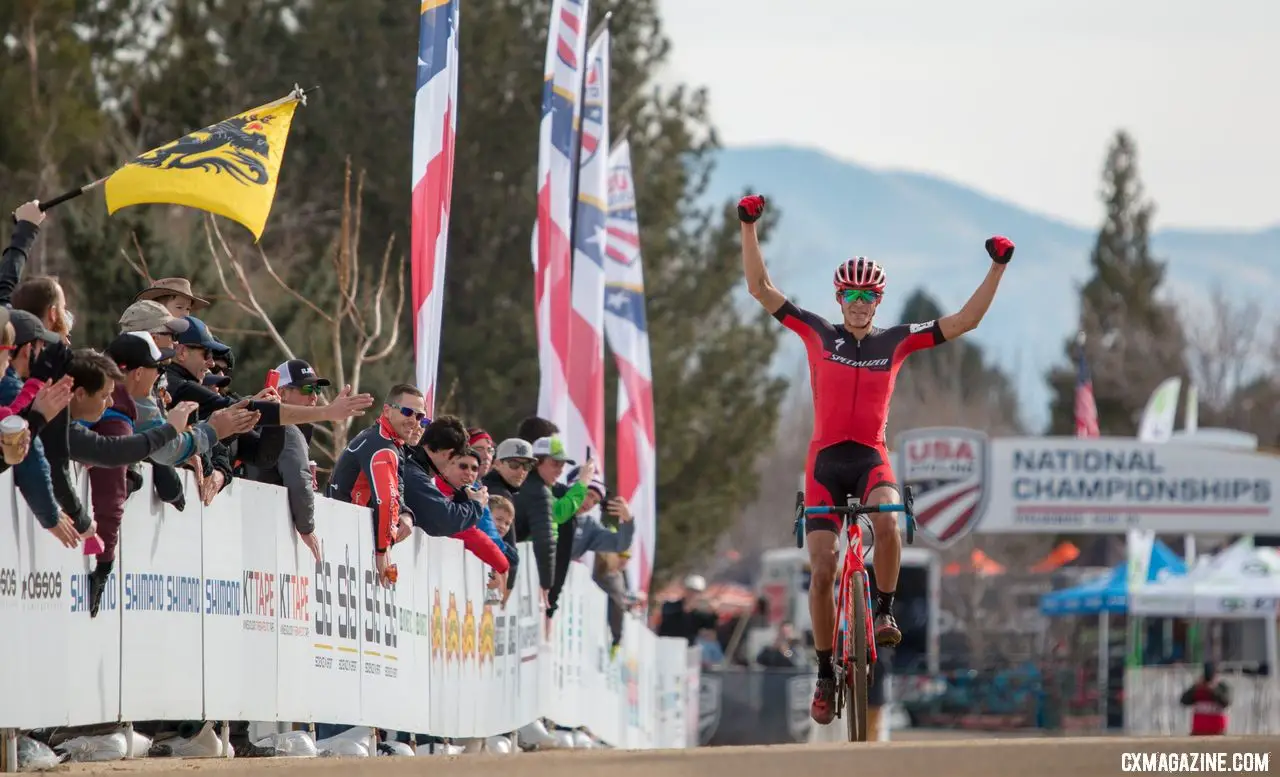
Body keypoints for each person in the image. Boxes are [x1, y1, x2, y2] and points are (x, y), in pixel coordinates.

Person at [736, 193, 1015, 724]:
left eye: (869, 294)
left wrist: (997, 267)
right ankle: (823, 672)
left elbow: (965, 321)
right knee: (821, 570)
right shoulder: (817, 331)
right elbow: (760, 288)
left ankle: (882, 611)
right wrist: (749, 226)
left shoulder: (897, 340)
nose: (860, 302)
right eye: (852, 294)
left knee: (889, 521)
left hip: (870, 458)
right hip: (823, 463)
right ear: (839, 298)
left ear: (879, 300)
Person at [327, 384, 423, 586]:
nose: (413, 421)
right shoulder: (383, 446)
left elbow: (395, 491)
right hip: (346, 541)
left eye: (419, 416)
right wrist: (382, 551)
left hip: (348, 536)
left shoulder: (386, 439)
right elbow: (386, 500)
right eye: (407, 412)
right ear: (387, 411)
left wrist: (406, 512)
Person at [1180, 662, 1230, 736]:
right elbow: (1184, 701)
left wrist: (1213, 689)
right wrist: (1195, 687)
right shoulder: (1198, 688)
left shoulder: (1221, 687)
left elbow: (1226, 702)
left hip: (1217, 732)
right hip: (1198, 732)